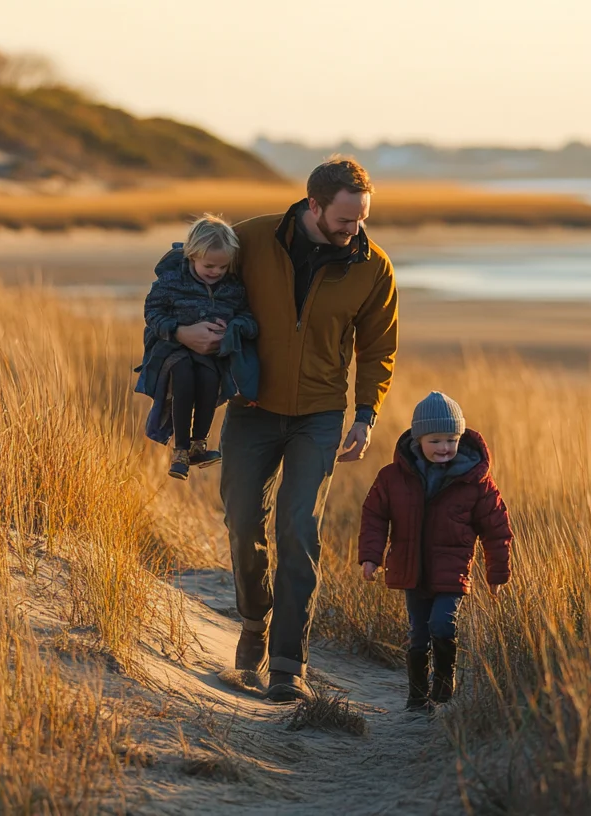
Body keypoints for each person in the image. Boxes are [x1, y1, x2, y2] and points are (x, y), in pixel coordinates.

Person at [211, 158, 399, 703]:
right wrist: (185, 328)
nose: (354, 229)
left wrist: (365, 415)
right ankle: (254, 620)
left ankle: (288, 664)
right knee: (242, 517)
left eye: (362, 218)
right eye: (345, 218)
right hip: (251, 405)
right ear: (313, 205)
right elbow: (189, 276)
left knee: (298, 527)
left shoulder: (373, 266)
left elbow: (378, 350)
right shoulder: (251, 239)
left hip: (319, 415)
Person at [358, 392, 513, 712]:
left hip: (452, 570)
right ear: (419, 439)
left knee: (442, 624)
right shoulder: (393, 478)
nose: (444, 447)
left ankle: (444, 686)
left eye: (451, 440)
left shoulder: (476, 481)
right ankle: (416, 698)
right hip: (411, 570)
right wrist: (371, 556)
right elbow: (374, 515)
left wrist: (496, 574)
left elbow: (497, 529)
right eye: (436, 440)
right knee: (417, 633)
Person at [134, 215, 253, 479]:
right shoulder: (172, 280)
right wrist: (176, 329)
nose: (216, 272)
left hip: (210, 352)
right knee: (184, 377)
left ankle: (199, 444)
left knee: (210, 379)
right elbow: (152, 312)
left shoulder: (232, 287)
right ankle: (180, 451)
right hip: (172, 348)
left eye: (223, 267)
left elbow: (246, 315)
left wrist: (232, 329)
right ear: (192, 255)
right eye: (209, 265)